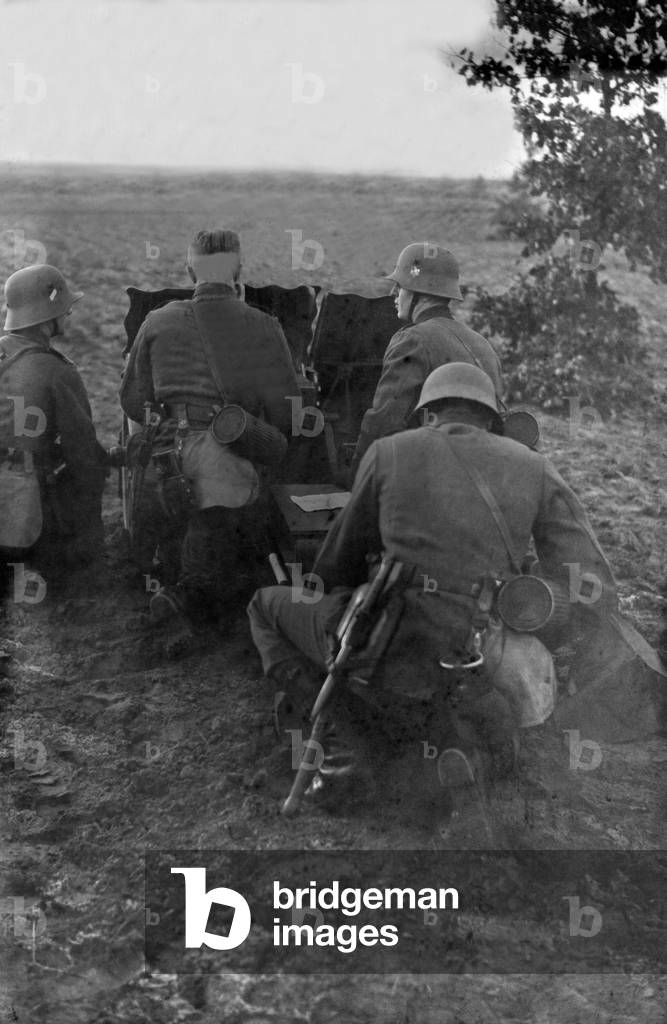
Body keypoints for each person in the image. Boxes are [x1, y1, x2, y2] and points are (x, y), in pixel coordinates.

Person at [248, 363, 619, 823]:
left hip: (385, 644)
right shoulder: (535, 467)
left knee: (266, 607)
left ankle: (347, 749)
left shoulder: (388, 452)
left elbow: (335, 567)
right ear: (491, 418)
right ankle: (470, 754)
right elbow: (592, 581)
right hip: (479, 654)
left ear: (427, 414)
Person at [119, 228, 301, 629]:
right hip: (225, 474)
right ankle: (195, 596)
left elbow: (133, 401)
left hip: (162, 470)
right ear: (238, 272)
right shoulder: (263, 325)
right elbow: (287, 412)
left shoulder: (157, 320)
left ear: (189, 272)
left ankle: (177, 583)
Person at [0, 264, 107, 600]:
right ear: (47, 317)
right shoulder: (57, 371)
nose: (70, 315)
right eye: (66, 309)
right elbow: (84, 457)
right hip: (23, 520)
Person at [351, 241, 503, 474]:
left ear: (419, 293)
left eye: (400, 287)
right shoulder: (482, 344)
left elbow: (383, 422)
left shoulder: (412, 339)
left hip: (433, 476)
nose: (394, 294)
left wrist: (356, 478)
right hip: (487, 472)